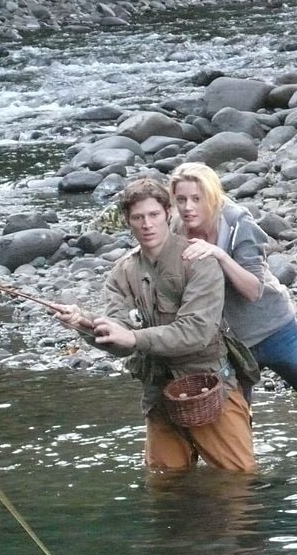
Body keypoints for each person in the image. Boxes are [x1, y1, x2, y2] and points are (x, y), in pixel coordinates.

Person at [167, 162, 297, 448]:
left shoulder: (239, 224)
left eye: (196, 198)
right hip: (232, 347)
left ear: (212, 196)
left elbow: (253, 290)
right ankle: (251, 490)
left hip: (278, 332)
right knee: (238, 437)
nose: (188, 207)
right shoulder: (176, 230)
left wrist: (219, 255)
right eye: (181, 199)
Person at [56, 178, 256, 473]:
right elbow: (119, 337)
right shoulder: (122, 272)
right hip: (158, 393)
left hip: (211, 388)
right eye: (138, 218)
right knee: (165, 487)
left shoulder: (199, 261)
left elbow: (196, 332)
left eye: (153, 215)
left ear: (167, 213)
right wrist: (83, 324)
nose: (146, 224)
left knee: (241, 481)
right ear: (128, 221)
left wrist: (134, 338)